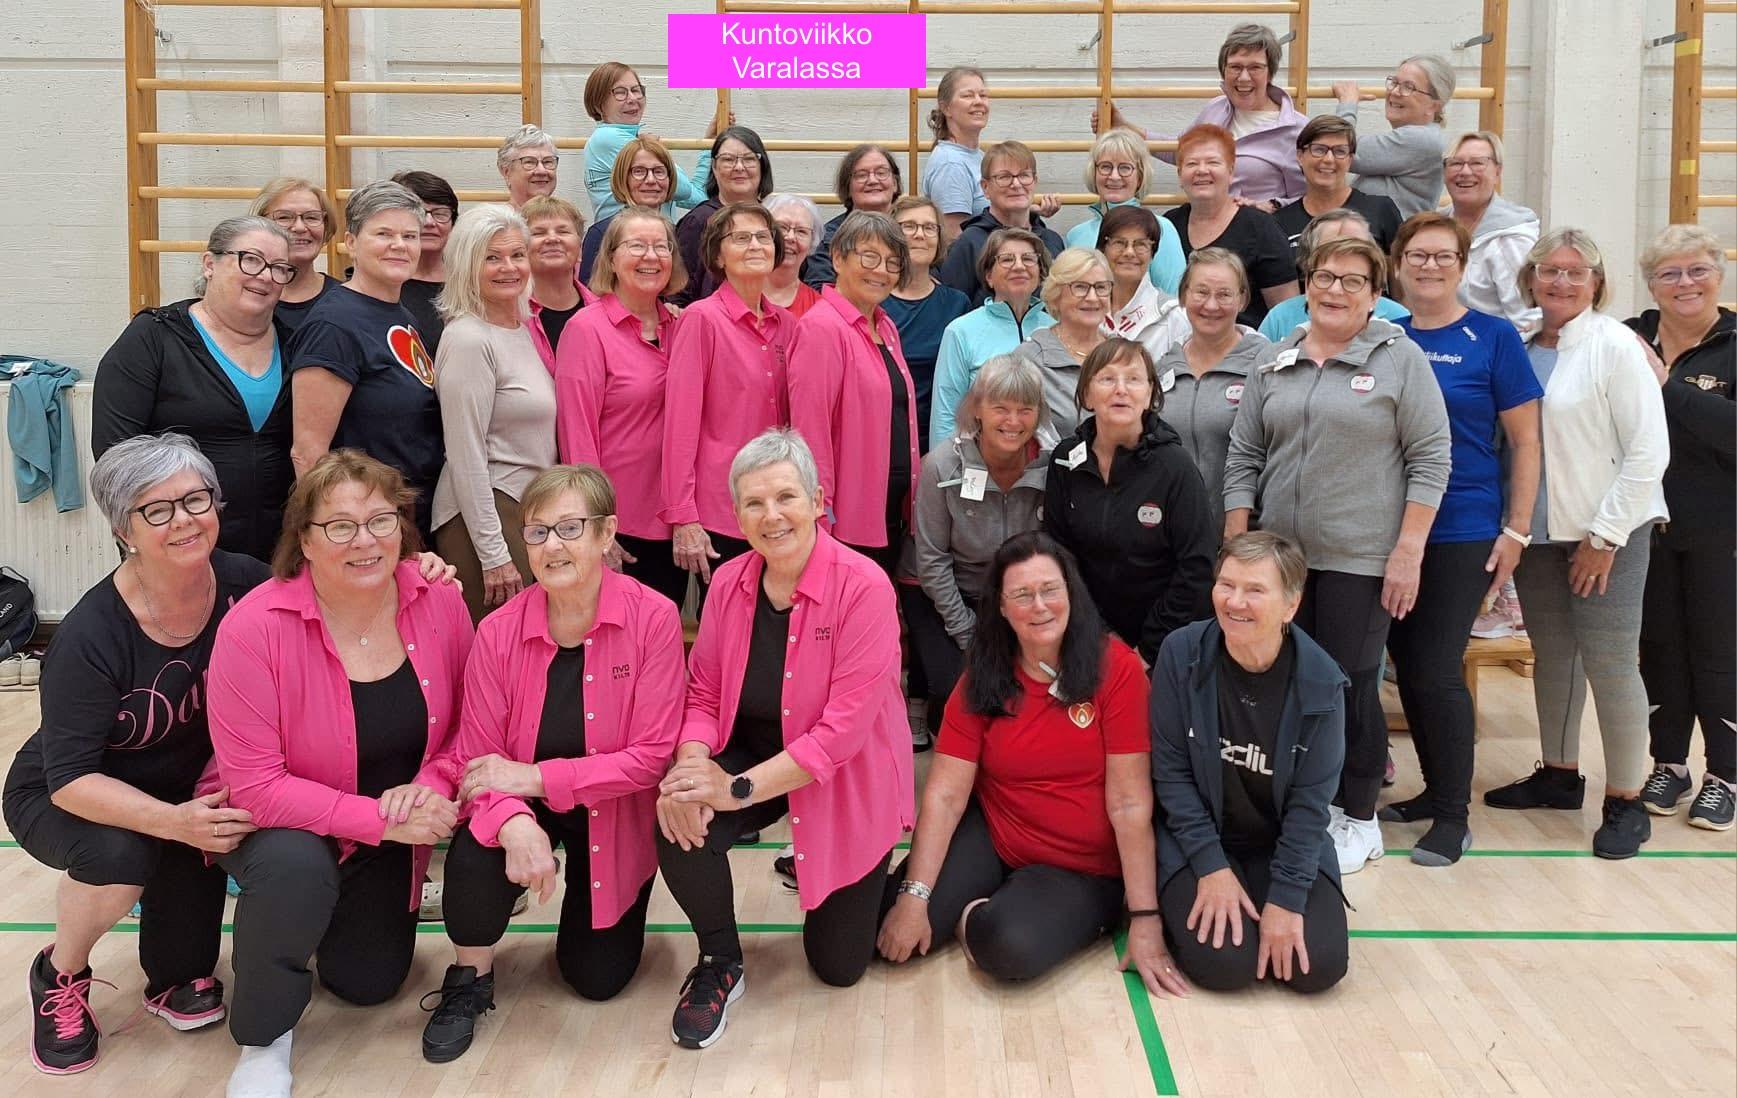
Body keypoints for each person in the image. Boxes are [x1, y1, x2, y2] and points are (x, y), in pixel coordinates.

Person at [207, 451, 473, 1098]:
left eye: (381, 520)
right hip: (279, 823)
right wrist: (384, 820)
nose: (365, 540)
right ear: (304, 539)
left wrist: (431, 788)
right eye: (340, 526)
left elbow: (469, 727)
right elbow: (257, 787)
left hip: (382, 828)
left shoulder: (438, 599)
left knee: (369, 983)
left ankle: (318, 915)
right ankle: (264, 1037)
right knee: (294, 869)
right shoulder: (253, 627)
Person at [3, 436, 268, 1075]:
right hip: (73, 791)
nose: (184, 520)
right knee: (119, 856)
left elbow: (336, 593)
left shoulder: (247, 583)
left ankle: (171, 977)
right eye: (157, 510)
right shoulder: (90, 635)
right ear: (124, 530)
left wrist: (420, 571)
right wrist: (175, 823)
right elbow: (70, 778)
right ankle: (60, 975)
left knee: (186, 968)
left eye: (195, 500)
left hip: (181, 786)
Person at [654, 430, 913, 1048]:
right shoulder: (728, 582)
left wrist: (732, 788)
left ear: (818, 501)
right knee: (678, 819)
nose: (771, 515)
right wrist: (692, 768)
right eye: (754, 503)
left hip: (845, 773)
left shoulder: (865, 586)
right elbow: (703, 692)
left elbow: (837, 738)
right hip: (754, 746)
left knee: (838, 967)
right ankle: (719, 960)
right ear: (736, 515)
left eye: (786, 497)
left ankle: (900, 876)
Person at [418, 465, 684, 1063]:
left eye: (569, 528)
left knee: (596, 979)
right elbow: (480, 761)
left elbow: (649, 759)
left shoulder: (655, 618)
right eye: (537, 532)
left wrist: (536, 777)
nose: (551, 546)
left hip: (610, 809)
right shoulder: (498, 631)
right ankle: (470, 976)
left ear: (607, 533)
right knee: (474, 852)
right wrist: (515, 821)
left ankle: (587, 900)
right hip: (519, 800)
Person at [1223, 235, 1452, 876]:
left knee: (1347, 685)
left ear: (1376, 295)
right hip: (1283, 562)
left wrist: (1408, 551)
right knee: (1291, 685)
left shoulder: (1400, 358)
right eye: (1325, 277)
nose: (1335, 290)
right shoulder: (1275, 358)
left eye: (1354, 281)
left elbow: (1431, 458)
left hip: (1361, 557)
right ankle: (1312, 807)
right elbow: (1244, 455)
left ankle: (1360, 818)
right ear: (1306, 285)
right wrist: (1238, 546)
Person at [878, 531, 1186, 993]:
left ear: (1071, 594)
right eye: (1022, 594)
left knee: (1009, 948)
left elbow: (1129, 804)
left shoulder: (1117, 669)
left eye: (1050, 590)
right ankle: (968, 896)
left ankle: (975, 914)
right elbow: (945, 794)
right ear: (1001, 607)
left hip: (1082, 867)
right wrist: (913, 897)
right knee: (887, 932)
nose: (1039, 606)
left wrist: (1145, 917)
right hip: (997, 836)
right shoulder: (985, 671)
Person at [1482, 229, 1670, 859]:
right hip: (1537, 533)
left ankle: (1627, 800)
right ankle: (1559, 775)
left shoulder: (1615, 345)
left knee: (1611, 663)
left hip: (1607, 534)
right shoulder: (1520, 345)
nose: (1561, 282)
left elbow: (1649, 452)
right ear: (1531, 278)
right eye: (1549, 270)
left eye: (1575, 272)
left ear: (1597, 283)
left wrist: (1606, 535)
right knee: (1555, 656)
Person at [1381, 212, 1543, 866]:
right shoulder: (1384, 336)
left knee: (1434, 667)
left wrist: (1516, 529)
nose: (1429, 266)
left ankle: (1453, 815)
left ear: (1461, 265)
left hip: (1463, 527)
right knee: (1406, 666)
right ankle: (1432, 790)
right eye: (1417, 255)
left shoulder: (1492, 337)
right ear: (1398, 265)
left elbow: (1525, 441)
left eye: (1442, 255)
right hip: (1389, 529)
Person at [1151, 532, 1350, 994]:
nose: (1234, 602)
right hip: (1195, 838)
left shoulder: (1322, 683)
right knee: (1226, 967)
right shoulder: (1180, 653)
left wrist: (1287, 897)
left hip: (1276, 842)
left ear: (1290, 606)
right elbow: (1171, 776)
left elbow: (1310, 805)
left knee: (1316, 967)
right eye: (1226, 584)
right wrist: (1210, 867)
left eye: (1255, 590)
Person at [93, 217, 296, 563]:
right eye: (251, 260)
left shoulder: (297, 342)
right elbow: (115, 452)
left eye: (279, 268)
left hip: (278, 552)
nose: (265, 276)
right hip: (180, 547)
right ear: (209, 264)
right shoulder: (153, 337)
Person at [1628, 226, 1734, 830]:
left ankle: (1726, 776)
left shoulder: (1733, 343)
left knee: (1719, 653)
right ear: (1651, 284)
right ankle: (1668, 763)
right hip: (1646, 528)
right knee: (1659, 650)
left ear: (1719, 276)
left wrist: (1669, 387)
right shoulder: (1628, 337)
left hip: (1723, 531)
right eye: (1669, 273)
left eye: (1697, 270)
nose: (1685, 283)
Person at [1046, 338, 1217, 666]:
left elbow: (1197, 568)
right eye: (1107, 378)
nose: (1121, 390)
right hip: (1086, 636)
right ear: (1086, 394)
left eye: (1134, 379)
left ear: (1151, 394)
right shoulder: (1065, 460)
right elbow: (1058, 556)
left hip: (1164, 645)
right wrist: (1095, 635)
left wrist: (1147, 650)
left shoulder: (1175, 467)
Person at [288, 180, 443, 539]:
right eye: (384, 234)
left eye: (410, 236)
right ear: (352, 243)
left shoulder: (400, 313)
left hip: (408, 514)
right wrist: (335, 531)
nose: (399, 245)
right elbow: (308, 452)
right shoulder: (334, 324)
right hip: (365, 525)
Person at [906, 354, 1048, 743]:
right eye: (1001, 408)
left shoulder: (1051, 466)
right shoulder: (942, 466)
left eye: (1025, 409)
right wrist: (969, 635)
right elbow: (932, 562)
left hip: (1012, 596)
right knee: (959, 687)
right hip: (942, 592)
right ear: (977, 409)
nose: (1013, 421)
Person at [557, 207, 692, 608]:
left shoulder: (683, 326)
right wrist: (595, 525)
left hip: (675, 521)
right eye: (637, 246)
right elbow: (576, 435)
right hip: (619, 522)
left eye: (661, 247)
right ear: (611, 258)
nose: (651, 257)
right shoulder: (587, 329)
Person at [430, 205, 555, 624]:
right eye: (492, 258)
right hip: (485, 514)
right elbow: (464, 453)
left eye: (517, 255)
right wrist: (493, 552)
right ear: (467, 266)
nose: (509, 267)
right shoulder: (468, 338)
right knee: (499, 643)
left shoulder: (522, 328)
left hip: (525, 506)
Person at [661, 202, 794, 590]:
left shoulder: (787, 325)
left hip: (776, 505)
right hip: (720, 508)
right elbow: (680, 424)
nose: (755, 245)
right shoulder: (701, 319)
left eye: (763, 237)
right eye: (741, 238)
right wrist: (683, 515)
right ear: (718, 255)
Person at [788, 211, 920, 571]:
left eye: (892, 262)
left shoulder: (886, 326)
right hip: (845, 517)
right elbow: (810, 431)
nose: (881, 271)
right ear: (837, 258)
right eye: (869, 257)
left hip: (890, 507)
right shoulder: (821, 328)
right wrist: (821, 514)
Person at [1094, 23, 1307, 206]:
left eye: (1255, 68)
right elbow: (1180, 151)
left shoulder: (1297, 130)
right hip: (1206, 224)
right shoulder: (1216, 108)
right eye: (1235, 67)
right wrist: (1122, 126)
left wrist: (1272, 206)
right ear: (1223, 70)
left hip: (1261, 232)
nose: (1243, 77)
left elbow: (1311, 199)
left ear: (1271, 72)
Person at [1155, 248, 1271, 535]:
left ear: (1242, 299)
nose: (1211, 305)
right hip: (1174, 536)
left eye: (1224, 294)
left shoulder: (1267, 365)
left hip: (1249, 534)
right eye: (1201, 292)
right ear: (1183, 296)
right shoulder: (1162, 366)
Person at [1163, 125, 1298, 328]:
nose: (1202, 170)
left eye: (1213, 162)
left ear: (1231, 172)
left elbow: (1285, 313)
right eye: (1192, 164)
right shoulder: (1169, 225)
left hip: (1248, 344)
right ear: (1180, 175)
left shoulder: (1260, 227)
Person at [929, 228, 1056, 443]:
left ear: (1040, 273)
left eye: (1028, 259)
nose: (1019, 266)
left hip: (1047, 458)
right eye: (1007, 259)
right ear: (989, 276)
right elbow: (945, 414)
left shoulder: (1054, 330)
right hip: (978, 457)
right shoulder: (961, 331)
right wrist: (946, 462)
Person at [582, 61, 719, 225]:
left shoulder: (626, 140)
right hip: (627, 236)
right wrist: (656, 150)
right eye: (620, 93)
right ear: (598, 104)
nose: (632, 98)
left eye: (636, 90)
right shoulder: (608, 138)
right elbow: (683, 189)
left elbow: (696, 197)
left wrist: (708, 144)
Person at [886, 196, 972, 452]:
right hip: (883, 434)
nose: (920, 234)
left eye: (929, 227)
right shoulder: (873, 302)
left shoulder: (957, 304)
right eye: (908, 226)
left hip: (940, 439)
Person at [937, 140, 1067, 306]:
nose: (1016, 184)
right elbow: (954, 308)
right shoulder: (969, 243)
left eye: (1024, 175)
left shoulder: (1052, 241)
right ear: (985, 187)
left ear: (1034, 181)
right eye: (1004, 177)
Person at [1257, 209, 1411, 342]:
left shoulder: (1398, 317)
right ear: (1308, 262)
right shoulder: (1280, 318)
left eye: (1356, 248)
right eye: (1329, 249)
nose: (1343, 255)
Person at [1332, 55, 1456, 218]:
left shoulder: (1422, 139)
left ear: (1434, 105)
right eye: (1394, 82)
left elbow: (1339, 150)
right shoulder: (1421, 136)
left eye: (1408, 87)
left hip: (1392, 234)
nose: (1395, 92)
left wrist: (1347, 104)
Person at [1014, 247, 1114, 448]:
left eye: (1101, 287)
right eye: (1080, 287)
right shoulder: (1028, 360)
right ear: (1056, 295)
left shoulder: (1125, 354)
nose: (1092, 297)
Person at [1065, 127, 1186, 294]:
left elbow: (1174, 298)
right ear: (1094, 173)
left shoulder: (1161, 228)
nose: (1114, 176)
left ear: (1140, 177)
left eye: (1125, 168)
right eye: (1105, 167)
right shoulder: (1076, 235)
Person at [1445, 131, 1541, 333]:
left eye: (1477, 163)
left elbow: (1527, 321)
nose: (1465, 171)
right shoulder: (1436, 226)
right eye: (1455, 163)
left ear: (1497, 172)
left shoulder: (1511, 239)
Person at [1271, 114, 1403, 259]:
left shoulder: (1381, 210)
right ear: (1300, 156)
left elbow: (1400, 268)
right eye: (1319, 149)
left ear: (1350, 160)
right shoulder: (1279, 223)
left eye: (1340, 151)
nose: (1329, 159)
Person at [672, 126, 774, 307]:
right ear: (714, 167)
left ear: (762, 165)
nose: (739, 167)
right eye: (728, 159)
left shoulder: (776, 217)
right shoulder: (699, 221)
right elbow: (678, 293)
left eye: (749, 159)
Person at [579, 136, 685, 284]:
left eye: (659, 171)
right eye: (639, 171)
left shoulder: (680, 233)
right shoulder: (601, 233)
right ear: (623, 178)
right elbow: (590, 292)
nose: (651, 180)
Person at [1098, 205, 1190, 364]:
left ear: (1152, 253)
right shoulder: (1086, 310)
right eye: (1119, 242)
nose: (1129, 252)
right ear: (1102, 249)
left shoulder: (1175, 316)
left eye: (1140, 244)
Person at [803, 144, 903, 288]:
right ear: (848, 187)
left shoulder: (913, 229)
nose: (873, 180)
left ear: (895, 183)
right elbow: (820, 289)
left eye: (881, 173)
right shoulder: (829, 237)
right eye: (861, 175)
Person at [249, 178, 339, 335]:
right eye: (284, 217)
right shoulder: (245, 297)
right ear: (260, 223)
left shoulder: (344, 301)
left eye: (311, 217)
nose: (299, 227)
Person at [390, 170, 458, 359]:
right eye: (419, 212)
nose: (429, 222)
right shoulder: (381, 284)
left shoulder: (470, 280)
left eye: (440, 213)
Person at [521, 195, 593, 367]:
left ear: (580, 249)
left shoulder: (604, 314)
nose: (552, 239)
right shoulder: (508, 315)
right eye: (538, 233)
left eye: (563, 231)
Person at [922, 66, 991, 240]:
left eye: (983, 95)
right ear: (946, 108)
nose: (979, 101)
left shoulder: (978, 156)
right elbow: (955, 239)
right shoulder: (951, 163)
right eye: (968, 95)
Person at [764, 192, 825, 316]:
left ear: (812, 242)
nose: (790, 237)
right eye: (782, 227)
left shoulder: (819, 307)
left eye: (801, 231)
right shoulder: (739, 294)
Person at [495, 124, 559, 210]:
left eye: (548, 161)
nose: (542, 171)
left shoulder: (568, 217)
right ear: (506, 172)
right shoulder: (496, 218)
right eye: (529, 162)